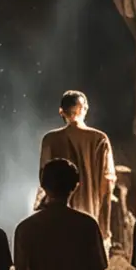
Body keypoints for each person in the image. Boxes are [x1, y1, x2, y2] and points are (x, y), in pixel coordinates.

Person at [38, 91, 117, 242]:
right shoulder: (99, 139)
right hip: (89, 217)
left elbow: (43, 178)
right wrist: (105, 226)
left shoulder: (50, 139)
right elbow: (107, 183)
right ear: (84, 109)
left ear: (61, 111)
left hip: (55, 221)